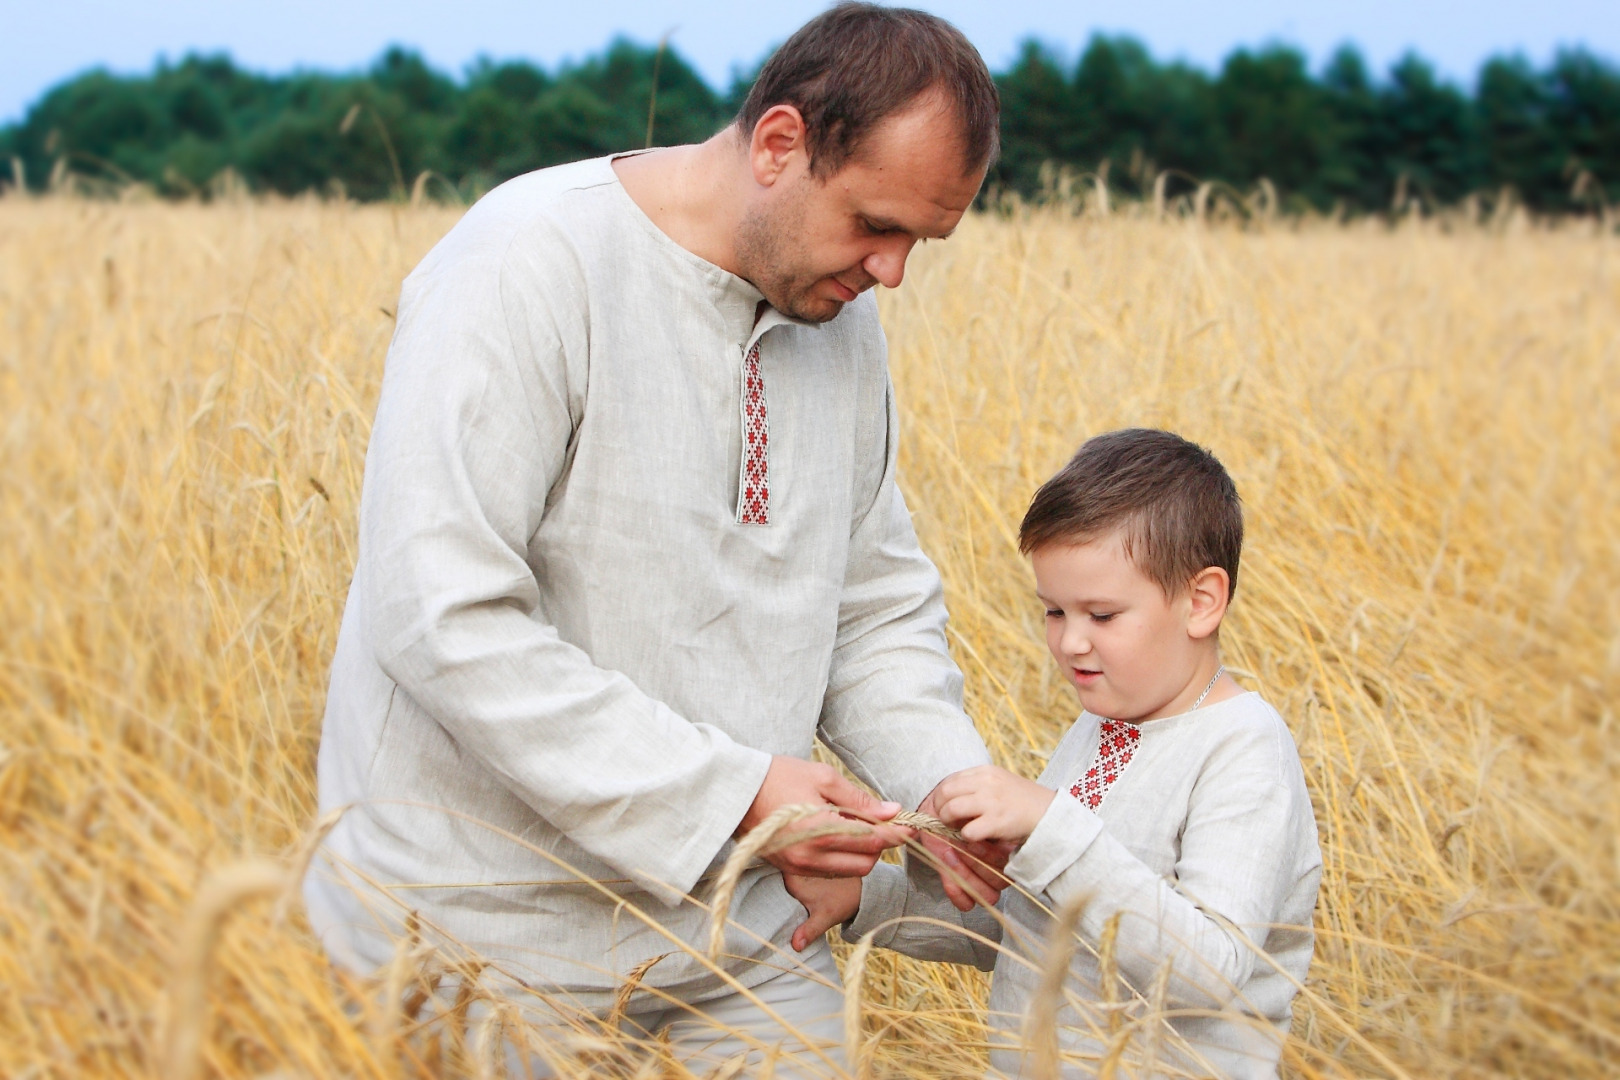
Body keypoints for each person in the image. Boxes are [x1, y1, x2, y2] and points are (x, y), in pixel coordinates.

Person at [302, 4, 1007, 1074]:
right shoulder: (526, 262)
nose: (894, 272)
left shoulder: (838, 319)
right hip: (477, 942)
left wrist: (960, 802)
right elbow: (441, 615)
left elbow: (870, 617)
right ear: (780, 145)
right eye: (876, 223)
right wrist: (736, 798)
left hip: (746, 941)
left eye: (921, 240)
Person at [792, 428, 1324, 1079]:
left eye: (1101, 616)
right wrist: (872, 900)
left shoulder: (1243, 748)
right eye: (1053, 612)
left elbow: (1210, 971)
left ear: (1201, 601)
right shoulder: (1102, 729)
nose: (1070, 643)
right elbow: (1035, 936)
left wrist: (1049, 825)